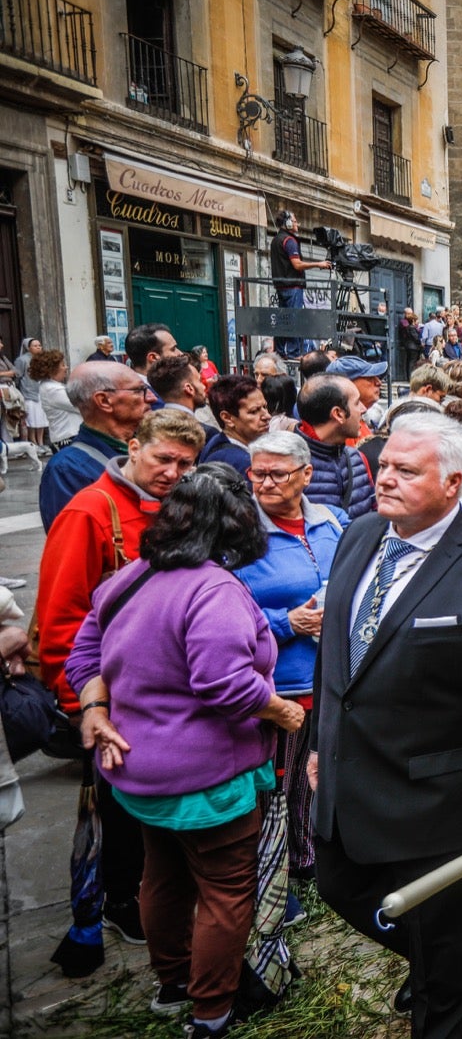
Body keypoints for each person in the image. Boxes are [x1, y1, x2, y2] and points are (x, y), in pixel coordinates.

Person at [308, 412, 462, 1039]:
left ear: (454, 483)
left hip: (438, 798)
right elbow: (337, 652)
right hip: (347, 777)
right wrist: (317, 742)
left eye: (404, 471)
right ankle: (430, 955)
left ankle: (442, 999)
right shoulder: (360, 535)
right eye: (383, 464)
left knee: (442, 969)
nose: (383, 478)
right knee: (337, 883)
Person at [67, 463, 306, 1038]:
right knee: (226, 894)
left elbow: (85, 657)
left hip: (140, 774)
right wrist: (281, 710)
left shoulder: (129, 578)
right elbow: (224, 684)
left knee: (164, 877)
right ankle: (211, 1011)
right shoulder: (214, 590)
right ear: (237, 527)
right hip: (209, 780)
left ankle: (172, 983)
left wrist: (95, 708)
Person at [34, 409, 205, 977]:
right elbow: (59, 620)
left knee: (149, 816)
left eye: (185, 464)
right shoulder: (89, 510)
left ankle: (147, 898)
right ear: (133, 446)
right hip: (107, 701)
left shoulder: (178, 509)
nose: (173, 472)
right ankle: (118, 903)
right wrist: (84, 702)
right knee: (116, 814)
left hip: (161, 699)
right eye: (163, 459)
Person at [232, 431, 348, 893]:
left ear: (305, 475)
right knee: (276, 782)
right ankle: (274, 870)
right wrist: (286, 622)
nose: (264, 483)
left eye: (277, 473)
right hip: (279, 682)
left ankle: (307, 856)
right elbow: (221, 610)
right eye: (257, 473)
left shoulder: (331, 522)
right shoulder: (241, 534)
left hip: (333, 674)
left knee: (314, 772)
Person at [39, 362, 155, 531]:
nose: (151, 397)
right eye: (138, 391)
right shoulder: (68, 469)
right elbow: (75, 543)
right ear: (104, 401)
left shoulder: (147, 448)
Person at [295, 375, 376, 518]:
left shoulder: (357, 459)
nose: (363, 409)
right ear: (338, 414)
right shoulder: (286, 467)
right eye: (357, 403)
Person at [196, 374, 272, 476]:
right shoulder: (242, 465)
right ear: (227, 418)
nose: (267, 416)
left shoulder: (215, 442)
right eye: (254, 411)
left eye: (265, 407)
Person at [269, 210, 332, 309]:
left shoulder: (275, 240)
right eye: (294, 221)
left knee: (285, 322)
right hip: (292, 288)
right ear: (288, 224)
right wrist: (318, 264)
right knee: (295, 322)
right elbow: (297, 265)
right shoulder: (289, 240)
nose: (297, 224)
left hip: (280, 288)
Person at [28, 349, 81, 447]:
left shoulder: (53, 386)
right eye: (63, 365)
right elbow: (79, 406)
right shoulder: (52, 389)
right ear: (52, 369)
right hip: (67, 437)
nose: (66, 367)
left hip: (70, 436)